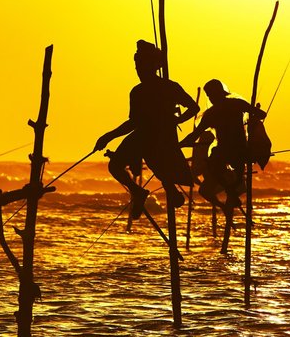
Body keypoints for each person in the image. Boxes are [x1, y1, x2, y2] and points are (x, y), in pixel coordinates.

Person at [94, 39, 200, 218]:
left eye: (142, 66)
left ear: (153, 66)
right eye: (136, 67)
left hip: (162, 137)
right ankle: (138, 191)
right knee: (115, 166)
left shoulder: (169, 87)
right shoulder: (137, 91)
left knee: (159, 163)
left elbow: (193, 108)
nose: (138, 70)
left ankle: (171, 192)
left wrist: (176, 121)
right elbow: (133, 122)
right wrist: (108, 136)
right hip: (142, 135)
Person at [180, 79, 266, 210]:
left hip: (234, 150)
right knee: (217, 166)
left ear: (220, 93)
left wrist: (181, 144)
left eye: (212, 94)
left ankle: (231, 191)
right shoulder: (226, 108)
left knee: (219, 167)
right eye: (209, 95)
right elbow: (195, 135)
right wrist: (182, 143)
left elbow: (195, 134)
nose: (211, 98)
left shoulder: (226, 108)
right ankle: (231, 191)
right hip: (233, 149)